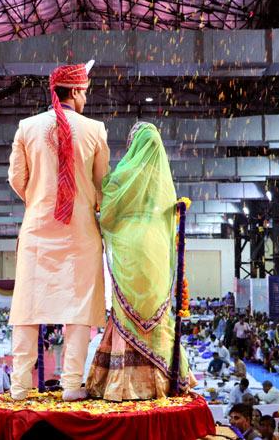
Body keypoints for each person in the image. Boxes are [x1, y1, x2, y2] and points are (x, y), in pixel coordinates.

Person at [8, 60, 109, 402]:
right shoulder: (95, 129)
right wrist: (83, 203)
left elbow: (15, 179)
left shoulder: (26, 127)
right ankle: (70, 385)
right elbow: (102, 184)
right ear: (77, 90)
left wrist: (39, 200)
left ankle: (20, 386)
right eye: (86, 91)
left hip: (37, 229)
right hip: (80, 233)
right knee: (79, 309)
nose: (86, 97)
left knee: (27, 308)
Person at [84, 122, 199, 400]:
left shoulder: (124, 174)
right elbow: (170, 222)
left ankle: (121, 383)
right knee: (157, 313)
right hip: (156, 250)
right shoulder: (163, 182)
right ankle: (159, 381)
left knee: (126, 311)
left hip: (129, 246)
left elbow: (107, 209)